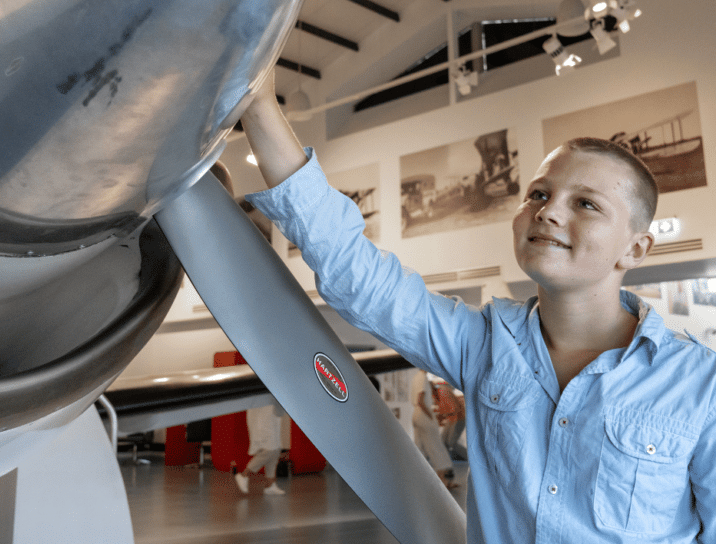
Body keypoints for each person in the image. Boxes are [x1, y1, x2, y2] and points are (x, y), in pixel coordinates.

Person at [239, 70, 716, 543]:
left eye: (586, 204)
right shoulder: (483, 345)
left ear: (635, 249)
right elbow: (358, 279)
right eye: (539, 194)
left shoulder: (699, 382)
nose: (548, 211)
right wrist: (260, 105)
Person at [410, 369, 457, 489]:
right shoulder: (422, 377)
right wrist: (430, 416)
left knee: (419, 448)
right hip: (423, 414)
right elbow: (421, 400)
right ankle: (446, 479)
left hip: (416, 414)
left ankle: (416, 480)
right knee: (436, 447)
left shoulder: (416, 377)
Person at [234, 398, 285, 495]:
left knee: (275, 450)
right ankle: (244, 475)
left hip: (270, 417)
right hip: (264, 420)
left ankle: (270, 485)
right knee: (270, 450)